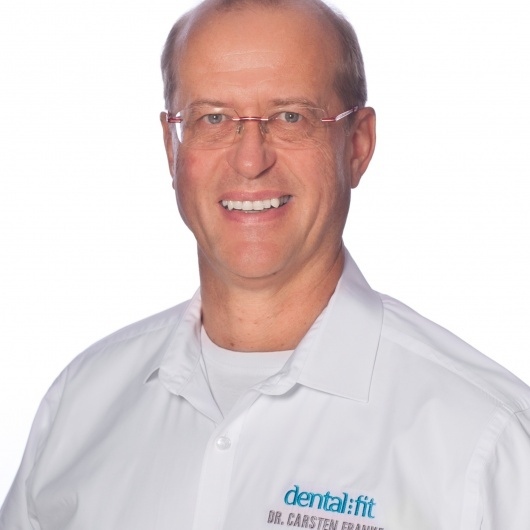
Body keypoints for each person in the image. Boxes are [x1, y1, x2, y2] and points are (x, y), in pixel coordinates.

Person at [1, 0, 529, 528]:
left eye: (290, 117)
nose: (251, 160)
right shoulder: (80, 405)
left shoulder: (486, 441)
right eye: (213, 118)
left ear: (358, 145)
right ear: (171, 147)